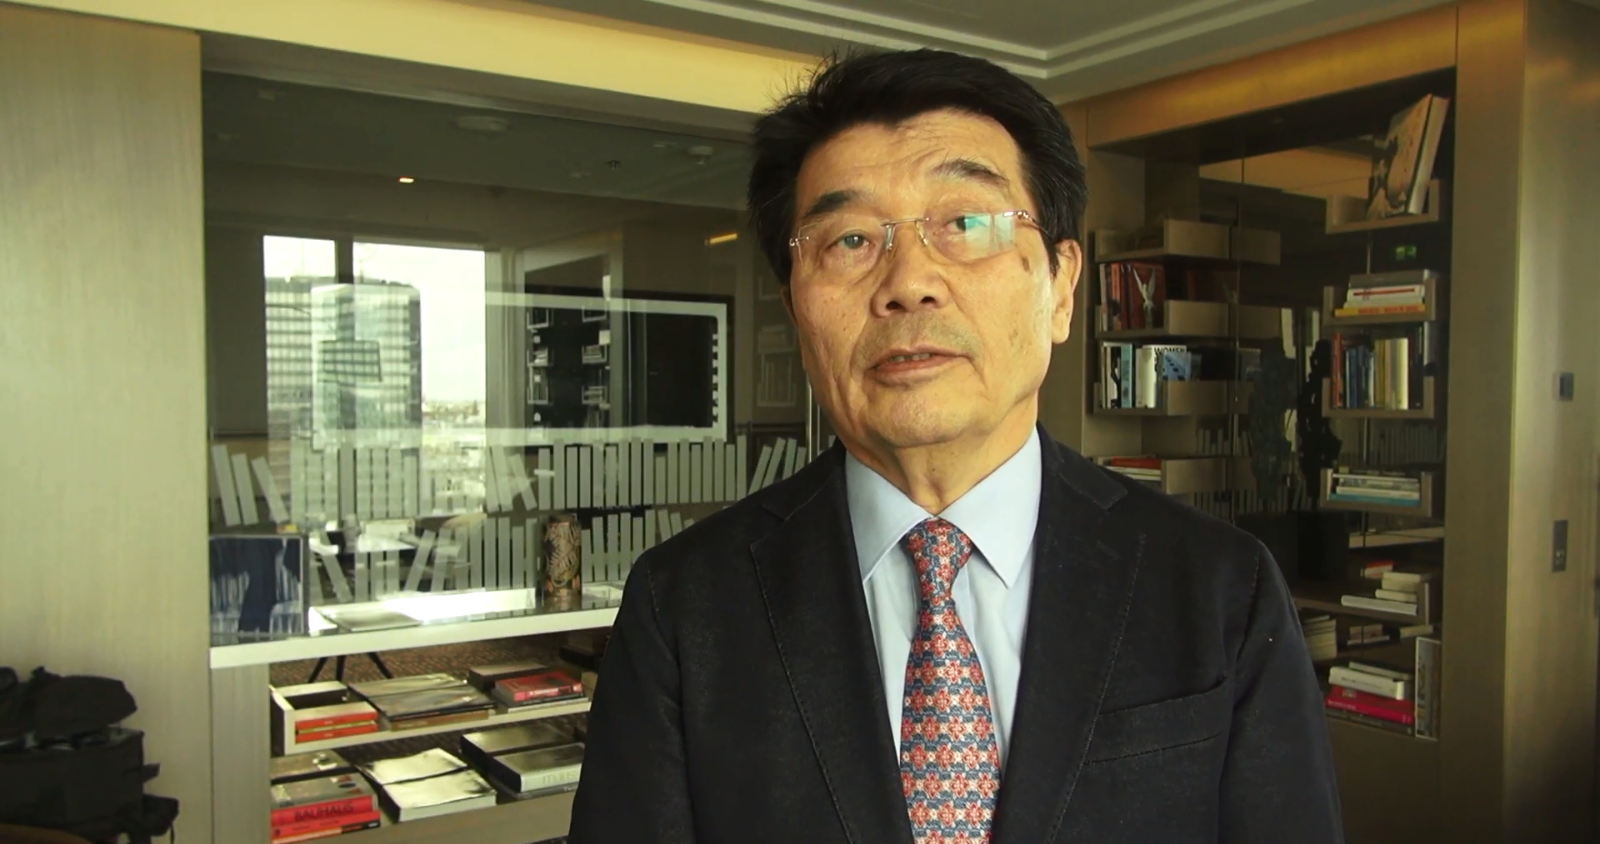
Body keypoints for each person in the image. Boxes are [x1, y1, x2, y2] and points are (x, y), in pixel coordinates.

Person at [569, 48, 1342, 844]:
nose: (909, 282)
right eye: (849, 240)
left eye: (966, 224)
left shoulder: (1221, 587)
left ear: (1061, 288)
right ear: (796, 311)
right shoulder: (684, 606)